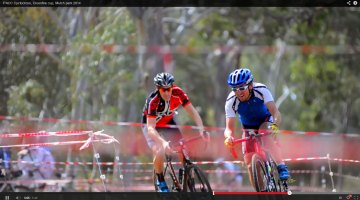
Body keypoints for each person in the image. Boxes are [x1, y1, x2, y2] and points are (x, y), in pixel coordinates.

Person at [223, 68, 290, 191]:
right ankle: (261, 192)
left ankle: (281, 165)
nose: (238, 92)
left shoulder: (261, 90)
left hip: (266, 120)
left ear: (250, 85)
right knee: (249, 162)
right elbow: (228, 128)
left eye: (242, 88)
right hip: (248, 127)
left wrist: (274, 125)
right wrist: (228, 137)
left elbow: (275, 113)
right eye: (235, 89)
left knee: (264, 133)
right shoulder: (231, 100)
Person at [142, 72, 207, 192]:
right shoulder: (153, 101)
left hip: (168, 122)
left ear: (172, 87)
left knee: (183, 148)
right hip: (152, 126)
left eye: (169, 89)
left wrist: (201, 129)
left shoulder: (178, 93)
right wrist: (163, 143)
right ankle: (160, 180)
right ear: (158, 89)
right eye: (163, 90)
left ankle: (187, 178)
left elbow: (192, 112)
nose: (167, 92)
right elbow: (150, 128)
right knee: (159, 149)